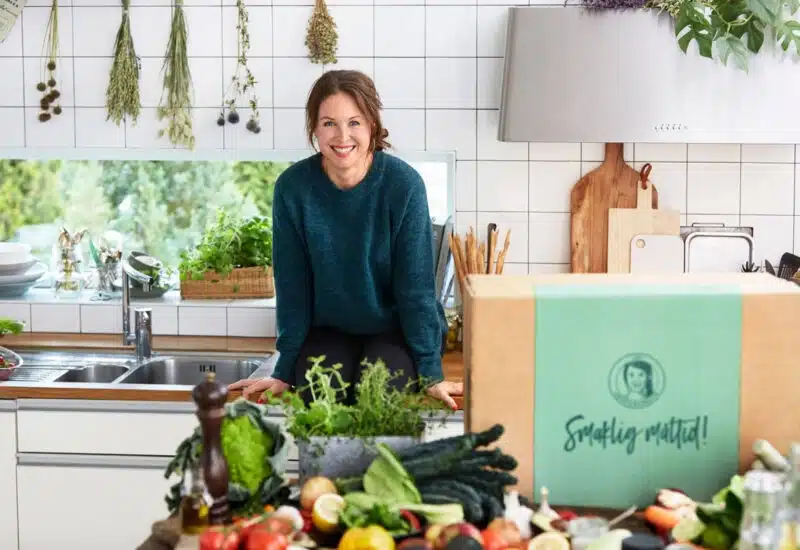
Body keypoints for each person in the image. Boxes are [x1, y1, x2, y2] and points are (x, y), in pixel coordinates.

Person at [228, 69, 463, 410]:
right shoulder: (293, 189)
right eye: (329, 123)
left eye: (354, 122)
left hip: (395, 330)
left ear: (372, 125)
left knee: (382, 390)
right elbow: (293, 287)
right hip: (328, 330)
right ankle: (323, 467)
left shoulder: (404, 186)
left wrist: (430, 371)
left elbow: (416, 291)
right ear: (314, 128)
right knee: (318, 388)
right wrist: (284, 368)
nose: (342, 136)